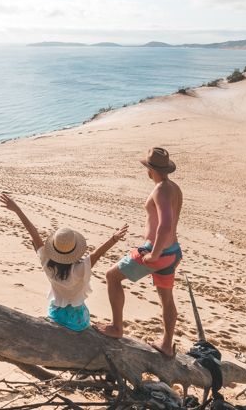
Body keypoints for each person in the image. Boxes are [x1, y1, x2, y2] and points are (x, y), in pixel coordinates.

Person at [96, 147, 183, 358]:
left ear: (150, 169)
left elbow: (165, 225)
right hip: (172, 252)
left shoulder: (161, 189)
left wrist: (153, 254)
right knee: (167, 298)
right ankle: (166, 344)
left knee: (112, 276)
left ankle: (117, 327)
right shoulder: (174, 187)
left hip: (158, 253)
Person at [0, 192, 128, 331]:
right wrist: (114, 239)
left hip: (57, 316)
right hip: (79, 321)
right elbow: (98, 252)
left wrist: (17, 209)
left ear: (54, 248)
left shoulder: (47, 264)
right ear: (75, 250)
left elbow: (33, 232)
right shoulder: (81, 269)